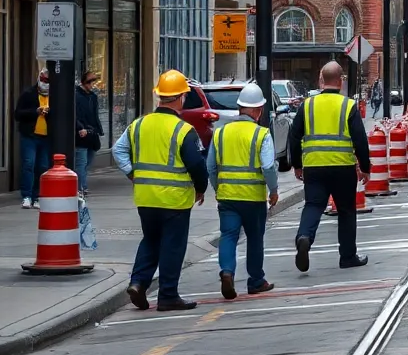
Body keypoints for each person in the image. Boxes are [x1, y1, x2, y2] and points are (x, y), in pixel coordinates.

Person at [113, 69, 208, 312]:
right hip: (174, 200)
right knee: (172, 246)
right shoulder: (183, 130)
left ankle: (138, 283)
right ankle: (167, 295)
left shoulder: (138, 124)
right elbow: (196, 164)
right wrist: (201, 188)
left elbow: (118, 150)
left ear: (160, 97)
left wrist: (132, 174)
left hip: (145, 198)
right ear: (179, 98)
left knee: (150, 241)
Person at [290, 60, 372, 272]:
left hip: (314, 168)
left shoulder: (307, 105)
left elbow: (294, 136)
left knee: (313, 205)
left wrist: (297, 165)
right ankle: (347, 256)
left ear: (321, 79)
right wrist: (365, 167)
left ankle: (304, 236)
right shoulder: (348, 106)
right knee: (346, 210)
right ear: (341, 80)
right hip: (343, 168)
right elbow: (360, 140)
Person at [206, 82, 278, 299]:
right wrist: (273, 190)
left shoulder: (220, 133)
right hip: (253, 198)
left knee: (228, 235)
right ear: (258, 110)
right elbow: (267, 167)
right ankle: (256, 280)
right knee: (255, 238)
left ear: (240, 107)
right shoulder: (262, 134)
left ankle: (227, 272)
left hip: (227, 197)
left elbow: (210, 166)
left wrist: (219, 188)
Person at [14, 70, 52, 208]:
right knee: (28, 164)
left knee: (42, 167)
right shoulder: (28, 94)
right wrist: (35, 112)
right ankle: (27, 196)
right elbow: (18, 114)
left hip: (45, 137)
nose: (45, 84)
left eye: (48, 82)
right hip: (30, 135)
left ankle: (38, 196)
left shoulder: (54, 96)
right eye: (43, 80)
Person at [74, 71, 105, 194]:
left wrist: (98, 130)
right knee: (81, 162)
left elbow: (95, 115)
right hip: (82, 133)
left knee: (87, 162)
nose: (93, 85)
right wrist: (80, 128)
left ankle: (82, 186)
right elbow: (76, 115)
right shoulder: (77, 96)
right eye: (91, 82)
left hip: (92, 132)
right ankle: (81, 187)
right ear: (85, 82)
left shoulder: (93, 97)